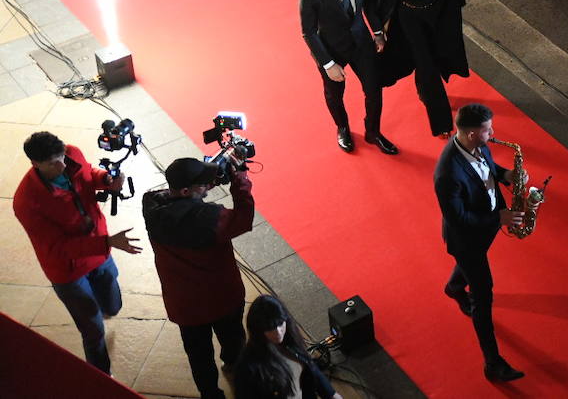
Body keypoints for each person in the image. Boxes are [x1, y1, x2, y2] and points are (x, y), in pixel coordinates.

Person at [12, 130, 142, 373]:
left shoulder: (72, 153)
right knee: (92, 330)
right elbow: (59, 249)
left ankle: (103, 312)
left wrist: (105, 179)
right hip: (69, 272)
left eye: (62, 156)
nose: (62, 164)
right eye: (53, 163)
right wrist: (108, 243)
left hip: (99, 251)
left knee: (113, 306)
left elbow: (87, 173)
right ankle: (101, 376)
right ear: (35, 164)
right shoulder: (27, 201)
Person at [143, 157, 255, 399]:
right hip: (222, 298)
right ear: (186, 190)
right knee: (234, 341)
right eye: (202, 185)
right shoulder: (212, 218)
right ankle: (235, 369)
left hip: (184, 307)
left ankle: (210, 394)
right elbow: (244, 218)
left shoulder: (151, 207)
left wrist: (201, 187)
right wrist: (241, 182)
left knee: (198, 356)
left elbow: (177, 200)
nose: (207, 187)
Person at [435, 103, 526, 382]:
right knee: (483, 296)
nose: (493, 133)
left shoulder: (475, 144)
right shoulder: (447, 174)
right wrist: (499, 218)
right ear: (473, 134)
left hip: (486, 227)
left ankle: (453, 287)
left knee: (468, 274)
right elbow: (459, 219)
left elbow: (487, 167)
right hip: (467, 240)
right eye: (488, 130)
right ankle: (492, 364)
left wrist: (507, 176)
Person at [365, 0, 470, 138]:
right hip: (409, 19)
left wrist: (451, 16)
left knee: (436, 57)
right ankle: (441, 123)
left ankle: (423, 90)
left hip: (437, 15)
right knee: (427, 65)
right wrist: (378, 31)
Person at [300, 0, 396, 155]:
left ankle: (373, 133)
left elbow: (369, 4)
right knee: (335, 95)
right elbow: (309, 32)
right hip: (331, 49)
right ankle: (342, 128)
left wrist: (378, 32)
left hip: (361, 43)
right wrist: (328, 64)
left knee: (374, 90)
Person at [234, 295, 341, 399]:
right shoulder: (246, 369)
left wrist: (331, 393)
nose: (278, 332)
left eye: (280, 323)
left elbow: (310, 366)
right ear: (258, 329)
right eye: (270, 327)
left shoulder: (290, 340)